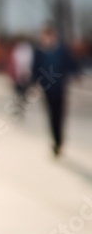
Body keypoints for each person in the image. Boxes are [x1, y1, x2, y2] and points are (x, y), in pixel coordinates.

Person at [32, 24, 80, 157]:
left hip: (59, 88)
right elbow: (35, 69)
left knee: (60, 115)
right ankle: (56, 140)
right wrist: (36, 83)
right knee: (52, 115)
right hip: (47, 89)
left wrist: (75, 74)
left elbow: (71, 64)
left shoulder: (62, 51)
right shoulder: (39, 52)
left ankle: (59, 139)